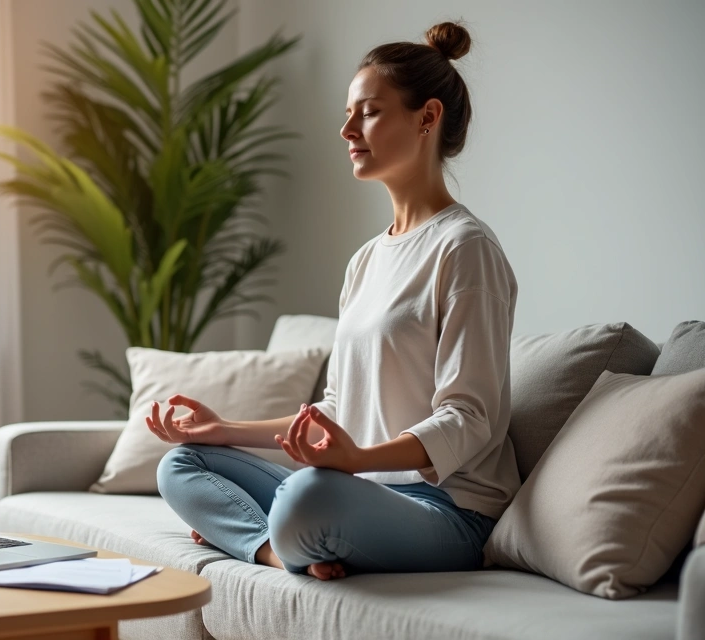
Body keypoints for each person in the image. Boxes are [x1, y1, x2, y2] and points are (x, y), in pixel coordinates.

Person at [150, 21, 521, 582]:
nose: (347, 129)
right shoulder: (366, 259)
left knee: (306, 496)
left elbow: (467, 420)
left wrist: (357, 460)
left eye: (368, 112)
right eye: (349, 114)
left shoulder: (465, 249)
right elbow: (337, 407)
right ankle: (274, 548)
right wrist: (223, 428)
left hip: (449, 511)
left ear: (427, 117)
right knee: (182, 464)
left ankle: (274, 531)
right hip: (355, 490)